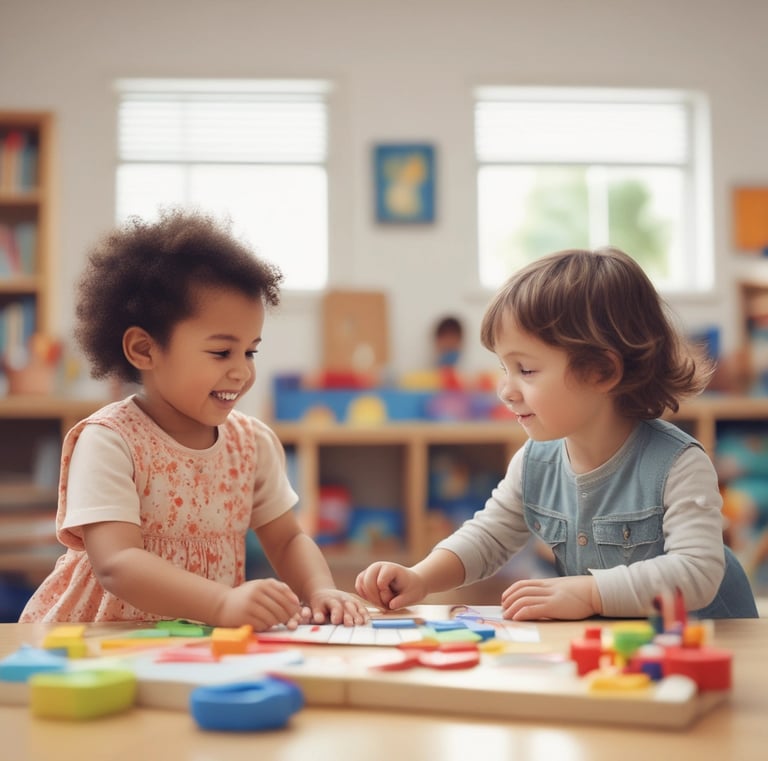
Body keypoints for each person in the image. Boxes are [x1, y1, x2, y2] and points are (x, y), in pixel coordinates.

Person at [356, 247, 758, 620]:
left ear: (602, 371)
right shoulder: (535, 461)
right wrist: (422, 578)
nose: (506, 390)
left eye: (526, 370)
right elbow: (489, 536)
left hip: (716, 640)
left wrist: (589, 593)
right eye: (504, 369)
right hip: (626, 644)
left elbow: (697, 572)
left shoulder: (678, 464)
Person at [20, 210, 369, 629]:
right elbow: (117, 562)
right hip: (101, 640)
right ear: (144, 350)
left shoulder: (250, 443)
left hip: (197, 640)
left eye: (250, 351)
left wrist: (320, 589)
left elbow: (288, 538)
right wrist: (223, 603)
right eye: (222, 352)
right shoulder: (110, 442)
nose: (241, 371)